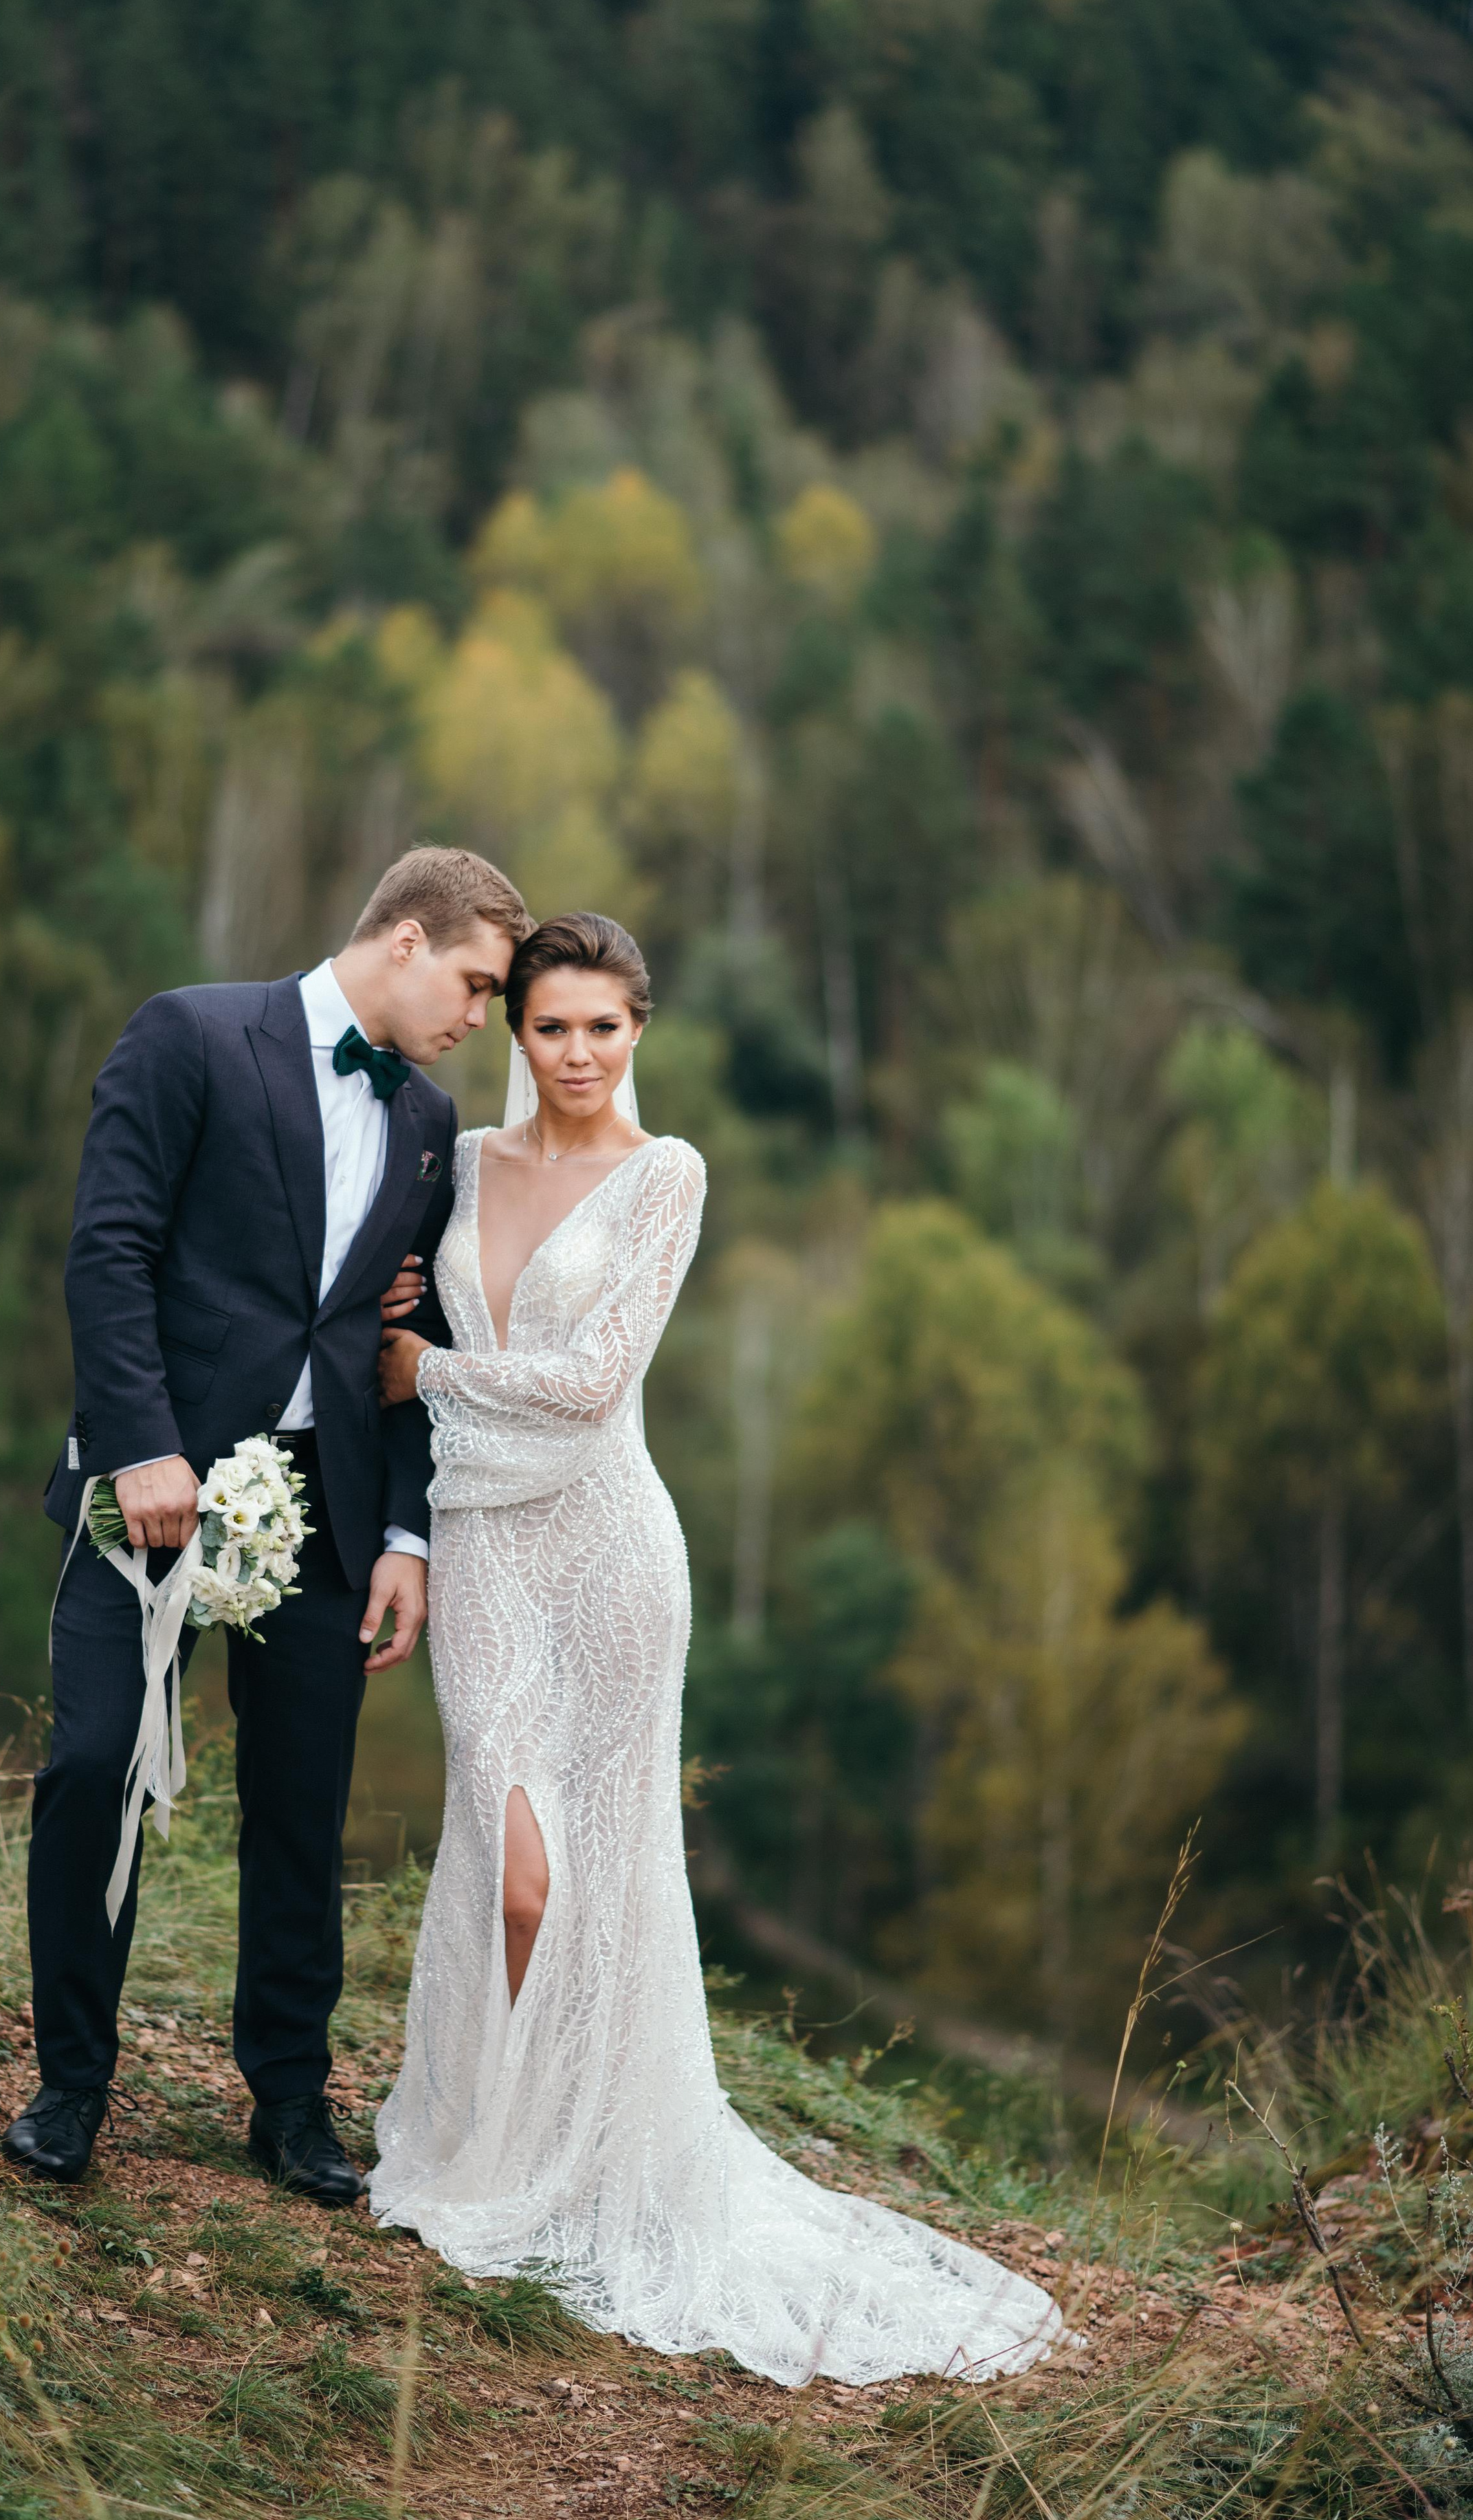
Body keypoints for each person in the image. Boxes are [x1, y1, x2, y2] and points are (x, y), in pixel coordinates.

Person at [366, 912, 1064, 2389]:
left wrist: (427, 1367)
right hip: (487, 1551)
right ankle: (498, 2144)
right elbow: (389, 1311)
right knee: (512, 1861)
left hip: (612, 1552)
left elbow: (589, 1381)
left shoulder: (664, 1176)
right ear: (516, 1033)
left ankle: (593, 2164)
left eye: (602, 1028)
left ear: (638, 1031)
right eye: (548, 1026)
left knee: (607, 1873)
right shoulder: (459, 1165)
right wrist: (396, 1380)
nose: (574, 1054)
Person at [1, 846, 533, 2194]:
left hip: (323, 1512)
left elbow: (404, 1340)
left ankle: (289, 2105)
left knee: (301, 1815)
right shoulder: (188, 1033)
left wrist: (407, 1534)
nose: (480, 1015)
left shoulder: (426, 1120)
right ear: (405, 939)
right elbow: (108, 1247)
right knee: (93, 1769)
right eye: (474, 983)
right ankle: (71, 2085)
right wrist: (140, 1447)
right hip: (156, 1488)